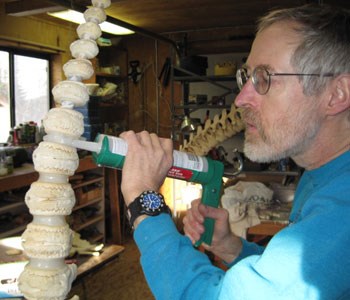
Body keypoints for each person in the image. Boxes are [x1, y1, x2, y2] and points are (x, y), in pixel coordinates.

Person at [120, 4, 350, 299]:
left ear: (336, 94)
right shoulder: (324, 174)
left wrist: (144, 202)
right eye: (247, 76)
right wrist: (230, 246)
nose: (241, 99)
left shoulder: (343, 205)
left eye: (264, 78)